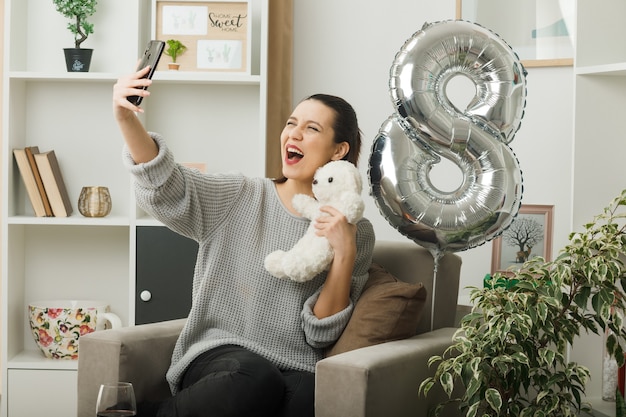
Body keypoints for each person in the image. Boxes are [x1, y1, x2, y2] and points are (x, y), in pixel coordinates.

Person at [112, 65, 375, 417]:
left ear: (339, 150)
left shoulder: (356, 232)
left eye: (311, 129)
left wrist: (344, 252)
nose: (293, 135)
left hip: (294, 366)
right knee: (254, 376)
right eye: (291, 123)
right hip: (220, 357)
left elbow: (320, 334)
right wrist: (127, 119)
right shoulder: (241, 194)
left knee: (312, 396)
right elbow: (167, 187)